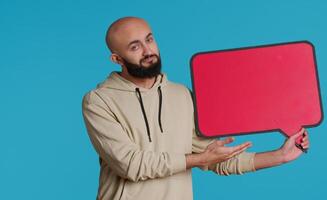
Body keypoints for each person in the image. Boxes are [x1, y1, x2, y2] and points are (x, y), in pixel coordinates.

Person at [82, 16, 310, 200]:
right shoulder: (99, 101)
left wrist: (280, 156)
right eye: (135, 47)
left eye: (149, 40)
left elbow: (216, 158)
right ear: (117, 59)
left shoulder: (181, 95)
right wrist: (198, 159)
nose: (148, 51)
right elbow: (131, 165)